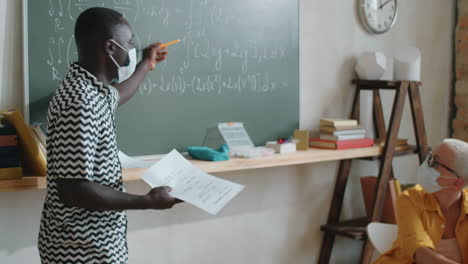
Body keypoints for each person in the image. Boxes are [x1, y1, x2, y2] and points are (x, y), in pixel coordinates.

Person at [37, 7, 182, 264]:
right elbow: (74, 189)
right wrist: (147, 201)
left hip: (96, 244)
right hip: (81, 251)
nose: (131, 49)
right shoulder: (79, 101)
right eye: (129, 43)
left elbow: (119, 94)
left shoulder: (94, 91)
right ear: (110, 48)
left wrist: (146, 64)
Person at [373, 138, 468, 264]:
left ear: (458, 183)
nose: (427, 164)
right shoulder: (410, 199)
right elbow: (421, 253)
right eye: (430, 157)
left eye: (436, 163)